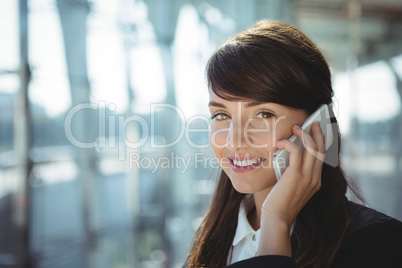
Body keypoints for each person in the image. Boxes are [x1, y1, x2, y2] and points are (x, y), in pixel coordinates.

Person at [184, 20, 402, 268]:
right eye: (221, 116)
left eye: (264, 114)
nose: (234, 140)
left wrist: (276, 222)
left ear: (315, 123)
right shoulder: (213, 237)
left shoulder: (378, 244)